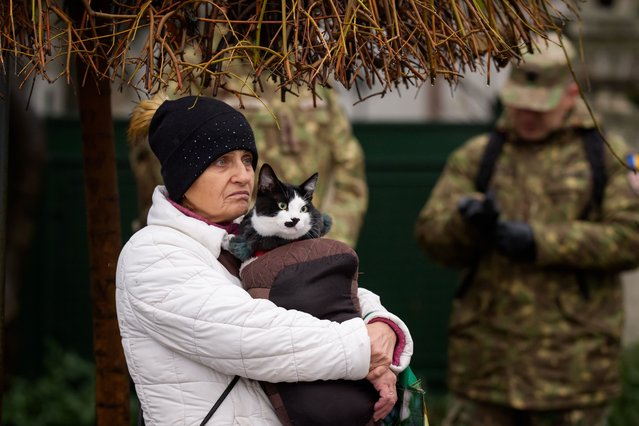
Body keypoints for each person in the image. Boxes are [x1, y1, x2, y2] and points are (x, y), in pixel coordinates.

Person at [116, 96, 413, 425]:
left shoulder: (242, 240)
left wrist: (381, 324)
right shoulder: (154, 252)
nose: (244, 175)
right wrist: (363, 348)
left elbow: (326, 286)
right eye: (222, 162)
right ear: (184, 174)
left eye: (246, 160)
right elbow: (255, 338)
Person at [414, 32, 639, 426]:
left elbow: (630, 238)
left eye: (541, 107)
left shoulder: (607, 155)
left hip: (573, 374)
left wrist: (539, 241)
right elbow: (431, 237)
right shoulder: (479, 156)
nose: (528, 115)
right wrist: (467, 226)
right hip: (486, 369)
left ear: (571, 94)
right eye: (521, 105)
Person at [128, 65, 368, 248]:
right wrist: (238, 244)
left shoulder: (311, 68)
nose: (243, 175)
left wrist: (328, 245)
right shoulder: (204, 64)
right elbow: (163, 156)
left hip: (311, 244)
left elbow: (349, 168)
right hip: (232, 248)